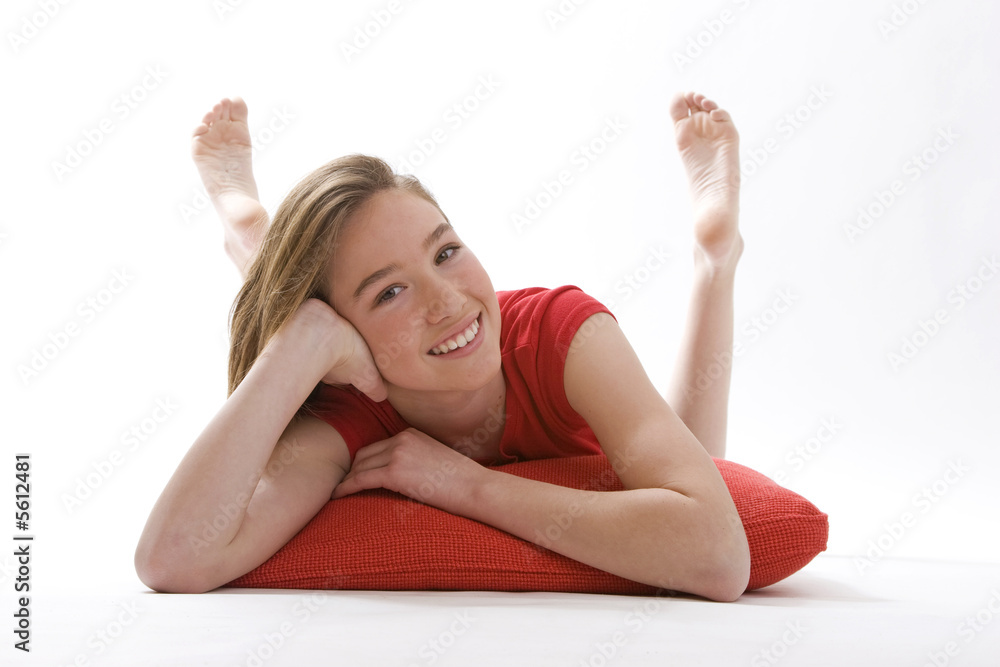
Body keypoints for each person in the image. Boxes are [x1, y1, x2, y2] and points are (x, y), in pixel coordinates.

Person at [134, 92, 751, 601]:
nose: (448, 300)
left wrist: (467, 486)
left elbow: (719, 556)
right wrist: (300, 343)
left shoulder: (560, 332)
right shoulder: (349, 418)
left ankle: (714, 262)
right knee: (285, 304)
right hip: (331, 340)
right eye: (390, 292)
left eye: (446, 251)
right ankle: (250, 235)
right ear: (341, 333)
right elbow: (173, 560)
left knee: (702, 459)